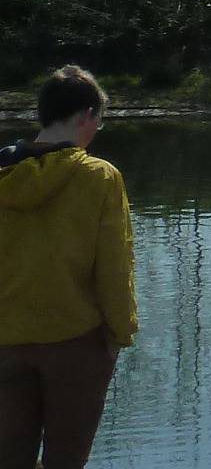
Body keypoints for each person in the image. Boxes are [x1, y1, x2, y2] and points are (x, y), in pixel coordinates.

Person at [0, 66, 134, 469]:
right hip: (76, 343)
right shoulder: (99, 176)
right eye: (99, 121)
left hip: (4, 341)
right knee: (66, 461)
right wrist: (120, 332)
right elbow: (114, 264)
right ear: (86, 116)